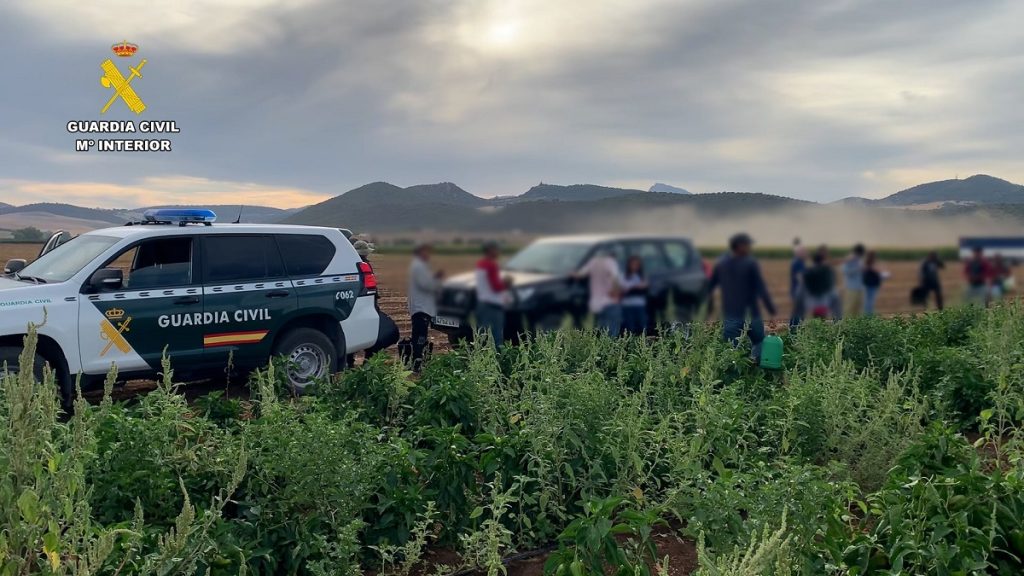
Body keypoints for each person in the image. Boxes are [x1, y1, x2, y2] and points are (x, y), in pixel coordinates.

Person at [707, 233, 776, 360]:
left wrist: (708, 310)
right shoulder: (750, 264)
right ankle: (755, 366)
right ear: (739, 246)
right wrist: (771, 311)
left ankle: (738, 370)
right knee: (759, 343)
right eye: (747, 245)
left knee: (730, 352)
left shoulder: (721, 264)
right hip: (751, 314)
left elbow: (709, 288)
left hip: (732, 316)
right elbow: (761, 288)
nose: (749, 247)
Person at [407, 242, 443, 372]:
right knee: (420, 336)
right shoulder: (419, 266)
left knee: (420, 335)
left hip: (421, 307)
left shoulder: (420, 266)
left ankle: (417, 361)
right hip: (421, 307)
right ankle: (417, 363)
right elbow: (426, 285)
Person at [576, 248, 624, 335]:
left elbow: (580, 274)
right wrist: (617, 293)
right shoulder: (611, 262)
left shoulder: (593, 262)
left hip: (596, 304)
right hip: (610, 302)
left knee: (600, 331)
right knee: (612, 330)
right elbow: (615, 278)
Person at [475, 241, 510, 348]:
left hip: (482, 304)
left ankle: (480, 356)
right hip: (493, 306)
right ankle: (498, 357)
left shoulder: (480, 264)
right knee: (497, 337)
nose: (498, 252)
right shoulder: (491, 265)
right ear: (491, 250)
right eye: (497, 249)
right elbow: (496, 287)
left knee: (482, 336)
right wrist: (507, 283)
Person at [802, 246, 837, 319]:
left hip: (814, 295)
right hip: (823, 295)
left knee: (816, 314)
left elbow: (806, 281)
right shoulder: (826, 269)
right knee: (822, 314)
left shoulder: (810, 270)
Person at [620, 255, 649, 336]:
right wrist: (635, 287)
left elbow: (645, 285)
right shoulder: (624, 276)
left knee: (642, 327)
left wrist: (632, 288)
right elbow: (623, 288)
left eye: (636, 264)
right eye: (632, 264)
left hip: (640, 304)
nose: (634, 266)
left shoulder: (642, 276)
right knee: (630, 328)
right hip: (627, 305)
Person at [841, 244, 866, 318]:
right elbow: (845, 271)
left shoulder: (860, 260)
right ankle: (846, 324)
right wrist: (857, 269)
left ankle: (855, 324)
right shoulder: (848, 260)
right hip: (851, 288)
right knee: (848, 309)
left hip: (860, 288)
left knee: (858, 310)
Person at [789, 245, 808, 327]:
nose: (805, 253)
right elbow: (800, 277)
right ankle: (795, 327)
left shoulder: (799, 262)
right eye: (804, 252)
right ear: (798, 253)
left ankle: (793, 327)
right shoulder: (798, 263)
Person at [862, 251, 885, 316]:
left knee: (868, 300)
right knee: (870, 300)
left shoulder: (866, 264)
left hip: (868, 283)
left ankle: (868, 313)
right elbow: (878, 271)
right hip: (872, 284)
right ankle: (869, 314)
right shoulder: (871, 265)